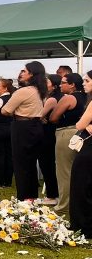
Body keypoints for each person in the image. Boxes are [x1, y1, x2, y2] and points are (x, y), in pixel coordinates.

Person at [1, 61, 46, 200]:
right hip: (36, 126)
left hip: (23, 126)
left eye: (24, 71)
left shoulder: (24, 91)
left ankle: (24, 197)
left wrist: (14, 111)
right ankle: (31, 196)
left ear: (31, 74)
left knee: (21, 163)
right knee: (30, 163)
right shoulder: (40, 90)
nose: (21, 73)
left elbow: (5, 110)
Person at [50, 73, 85, 217]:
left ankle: (63, 207)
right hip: (83, 134)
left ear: (72, 85)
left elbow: (53, 117)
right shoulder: (86, 98)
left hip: (67, 133)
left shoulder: (69, 98)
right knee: (79, 172)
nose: (60, 85)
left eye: (64, 82)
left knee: (64, 172)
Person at [69, 70, 92, 236]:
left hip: (89, 148)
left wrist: (85, 124)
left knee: (82, 186)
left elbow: (79, 125)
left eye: (87, 80)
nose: (83, 83)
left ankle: (83, 225)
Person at [36, 74, 62, 204]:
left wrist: (41, 118)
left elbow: (39, 115)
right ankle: (54, 193)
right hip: (53, 133)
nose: (45, 83)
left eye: (47, 81)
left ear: (54, 85)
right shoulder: (60, 97)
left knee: (47, 164)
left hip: (48, 134)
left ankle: (52, 195)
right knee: (50, 164)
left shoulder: (52, 99)